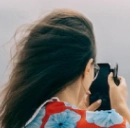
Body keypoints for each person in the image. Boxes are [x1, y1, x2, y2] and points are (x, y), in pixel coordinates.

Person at [0, 9, 130, 128]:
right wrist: (121, 108)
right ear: (87, 69)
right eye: (94, 71)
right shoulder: (111, 122)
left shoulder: (18, 121)